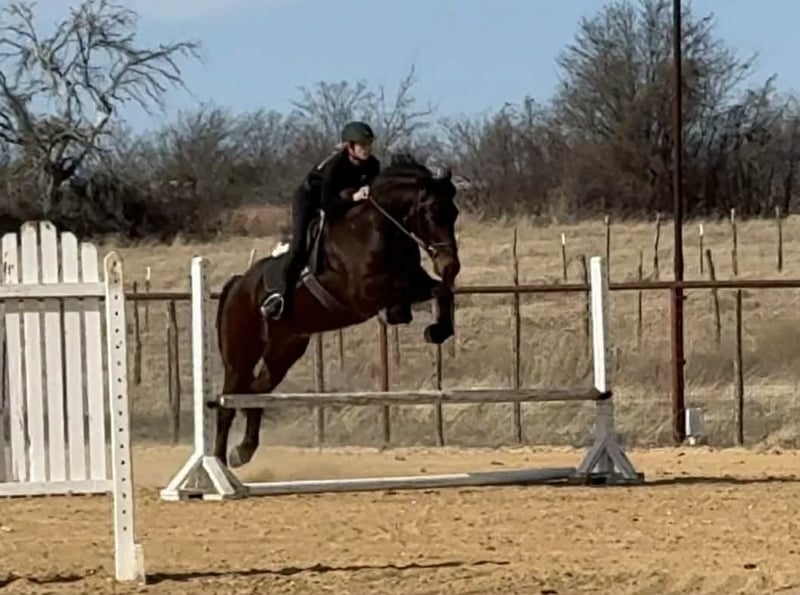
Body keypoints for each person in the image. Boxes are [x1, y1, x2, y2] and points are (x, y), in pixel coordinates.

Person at [260, 121, 381, 320]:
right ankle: (279, 295)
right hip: (310, 200)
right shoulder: (334, 165)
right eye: (362, 145)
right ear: (350, 146)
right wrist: (353, 198)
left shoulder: (373, 165)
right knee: (300, 246)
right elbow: (329, 205)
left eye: (369, 144)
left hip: (341, 202)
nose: (367, 149)